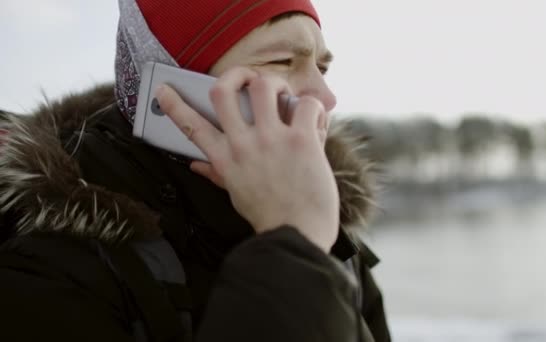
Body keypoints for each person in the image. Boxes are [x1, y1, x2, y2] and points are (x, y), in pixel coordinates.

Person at [0, 0, 390, 341]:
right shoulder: (51, 261)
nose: (325, 97)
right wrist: (293, 247)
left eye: (321, 66)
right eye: (282, 61)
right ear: (173, 92)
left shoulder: (332, 233)